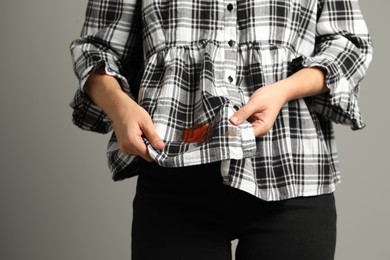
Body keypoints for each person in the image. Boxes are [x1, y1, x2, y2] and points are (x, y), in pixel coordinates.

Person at [70, 0, 372, 259]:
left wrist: (285, 90)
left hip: (291, 170)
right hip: (174, 170)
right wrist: (120, 107)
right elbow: (97, 48)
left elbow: (349, 44)